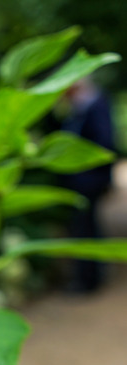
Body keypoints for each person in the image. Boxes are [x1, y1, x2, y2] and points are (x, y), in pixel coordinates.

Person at [59, 76, 116, 292]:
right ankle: (89, 277)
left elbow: (104, 141)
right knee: (86, 227)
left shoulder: (94, 104)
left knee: (86, 229)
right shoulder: (82, 105)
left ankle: (88, 280)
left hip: (89, 181)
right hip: (83, 180)